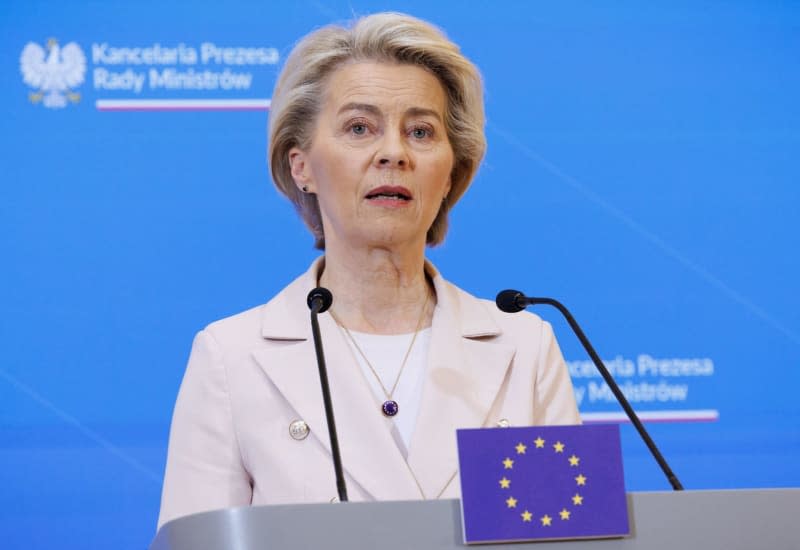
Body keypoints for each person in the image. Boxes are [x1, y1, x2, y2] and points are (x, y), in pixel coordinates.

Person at [157, 12, 580, 529]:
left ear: (451, 171)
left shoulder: (524, 345)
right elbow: (197, 541)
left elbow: (568, 536)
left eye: (421, 132)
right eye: (360, 127)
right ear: (302, 166)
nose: (394, 153)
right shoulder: (231, 357)